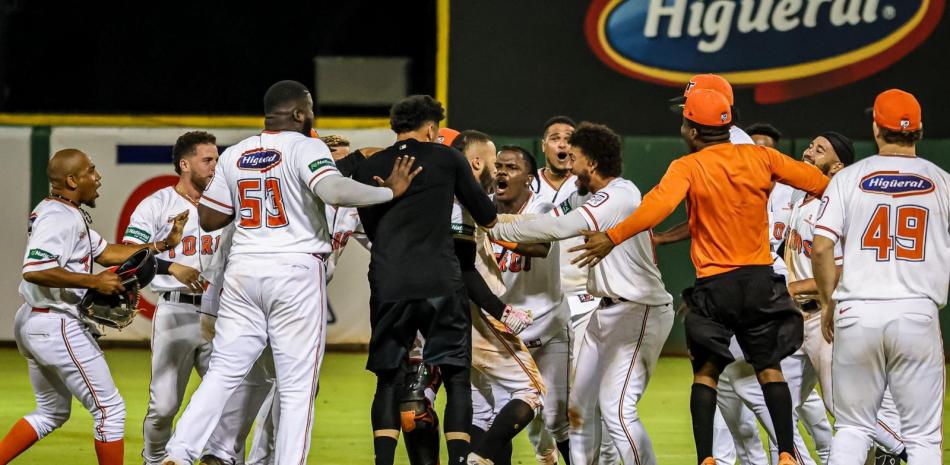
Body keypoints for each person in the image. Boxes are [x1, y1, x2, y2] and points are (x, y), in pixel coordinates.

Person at [161, 80, 418, 465]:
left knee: (223, 373)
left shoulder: (237, 153)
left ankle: (179, 454)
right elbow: (332, 190)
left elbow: (210, 217)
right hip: (294, 271)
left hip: (244, 272)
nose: (312, 113)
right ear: (299, 113)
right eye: (310, 107)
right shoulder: (306, 146)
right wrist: (389, 193)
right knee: (297, 387)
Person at [571, 90, 829, 465]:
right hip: (760, 281)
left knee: (706, 375)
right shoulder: (763, 156)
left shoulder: (687, 166)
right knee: (769, 368)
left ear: (691, 129)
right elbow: (819, 183)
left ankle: (707, 457)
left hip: (715, 285)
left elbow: (655, 208)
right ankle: (787, 452)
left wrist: (612, 236)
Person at [492, 122, 675, 465]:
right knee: (577, 409)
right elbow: (544, 222)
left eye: (573, 157)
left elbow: (559, 229)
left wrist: (493, 222)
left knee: (617, 411)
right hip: (606, 312)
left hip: (640, 309)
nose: (568, 164)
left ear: (590, 162)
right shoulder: (582, 194)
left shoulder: (621, 193)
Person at [0, 149, 188, 465]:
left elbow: (108, 253)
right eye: (91, 171)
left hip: (35, 320)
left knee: (52, 412)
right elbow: (33, 268)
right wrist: (93, 282)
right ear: (72, 180)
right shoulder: (59, 217)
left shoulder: (63, 211)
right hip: (55, 323)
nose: (97, 177)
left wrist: (160, 245)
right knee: (110, 410)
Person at [351, 95, 498, 465]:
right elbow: (486, 214)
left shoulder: (372, 164)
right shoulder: (448, 158)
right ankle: (459, 461)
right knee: (456, 379)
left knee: (388, 381)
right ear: (432, 128)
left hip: (390, 283)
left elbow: (372, 227)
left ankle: (384, 461)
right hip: (440, 282)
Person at [814, 89, 949, 464]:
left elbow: (822, 246)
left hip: (856, 311)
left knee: (853, 427)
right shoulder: (942, 182)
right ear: (919, 130)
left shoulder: (848, 179)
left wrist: (827, 303)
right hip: (916, 313)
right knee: (922, 437)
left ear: (876, 127)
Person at [785, 132, 907, 464]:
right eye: (810, 144)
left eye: (820, 149)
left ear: (837, 165)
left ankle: (905, 448)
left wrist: (791, 289)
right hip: (797, 322)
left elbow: (838, 272)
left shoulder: (834, 206)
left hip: (828, 321)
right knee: (773, 403)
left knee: (845, 412)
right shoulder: (801, 198)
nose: (809, 150)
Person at [122, 131, 223, 465]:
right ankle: (153, 460)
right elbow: (127, 256)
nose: (214, 166)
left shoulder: (226, 206)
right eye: (207, 159)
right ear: (185, 163)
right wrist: (170, 266)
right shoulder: (158, 204)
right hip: (176, 311)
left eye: (217, 159)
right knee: (163, 407)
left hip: (221, 315)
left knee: (224, 402)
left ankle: (211, 457)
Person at [492, 145, 572, 465]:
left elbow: (539, 246)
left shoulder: (545, 207)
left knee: (557, 418)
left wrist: (490, 231)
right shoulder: (482, 206)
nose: (501, 171)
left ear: (529, 178)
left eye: (511, 167)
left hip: (548, 328)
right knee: (502, 416)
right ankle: (543, 453)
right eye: (498, 165)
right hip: (505, 332)